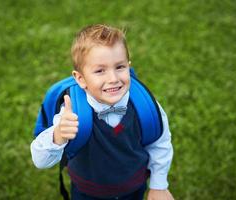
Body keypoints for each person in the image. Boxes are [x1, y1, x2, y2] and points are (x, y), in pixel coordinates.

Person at [31, 24, 174, 200]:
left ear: (128, 67)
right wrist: (58, 134)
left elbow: (159, 143)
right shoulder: (72, 114)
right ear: (81, 79)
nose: (113, 79)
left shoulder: (145, 106)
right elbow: (40, 161)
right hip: (88, 192)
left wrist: (158, 186)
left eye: (120, 67)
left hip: (134, 187)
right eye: (100, 71)